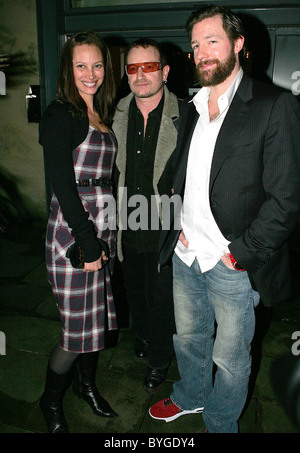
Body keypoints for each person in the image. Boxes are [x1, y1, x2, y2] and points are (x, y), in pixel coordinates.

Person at [149, 4, 300, 433]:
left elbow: (287, 199)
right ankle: (191, 395)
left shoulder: (274, 105)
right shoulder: (193, 107)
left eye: (211, 41)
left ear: (238, 44)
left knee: (231, 359)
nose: (201, 53)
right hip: (186, 253)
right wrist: (176, 225)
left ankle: (219, 421)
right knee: (188, 340)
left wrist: (240, 255)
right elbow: (185, 174)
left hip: (232, 262)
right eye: (195, 45)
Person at [39, 31, 118, 433]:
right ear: (68, 70)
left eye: (98, 64)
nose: (91, 73)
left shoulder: (101, 115)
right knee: (75, 331)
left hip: (102, 230)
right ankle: (49, 403)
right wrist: (87, 243)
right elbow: (63, 186)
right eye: (81, 65)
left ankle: (86, 386)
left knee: (96, 321)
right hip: (74, 234)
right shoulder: (60, 114)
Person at [113, 38, 179, 393]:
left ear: (164, 72)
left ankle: (158, 359)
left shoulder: (185, 115)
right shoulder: (115, 113)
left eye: (149, 67)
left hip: (164, 223)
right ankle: (141, 337)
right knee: (134, 290)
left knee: (161, 298)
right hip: (127, 221)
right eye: (133, 68)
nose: (140, 75)